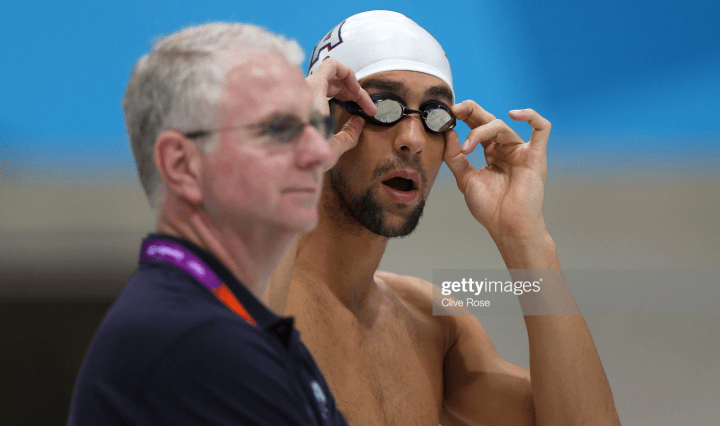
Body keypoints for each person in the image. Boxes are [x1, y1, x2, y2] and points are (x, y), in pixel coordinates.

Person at [268, 10, 621, 425]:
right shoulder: (241, 290)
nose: (413, 140)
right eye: (383, 107)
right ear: (323, 120)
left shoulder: (431, 327)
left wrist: (526, 239)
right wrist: (294, 166)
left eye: (434, 113)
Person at [67, 22, 376, 425]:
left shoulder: (215, 321)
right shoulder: (192, 342)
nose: (318, 154)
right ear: (181, 165)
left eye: (315, 126)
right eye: (279, 129)